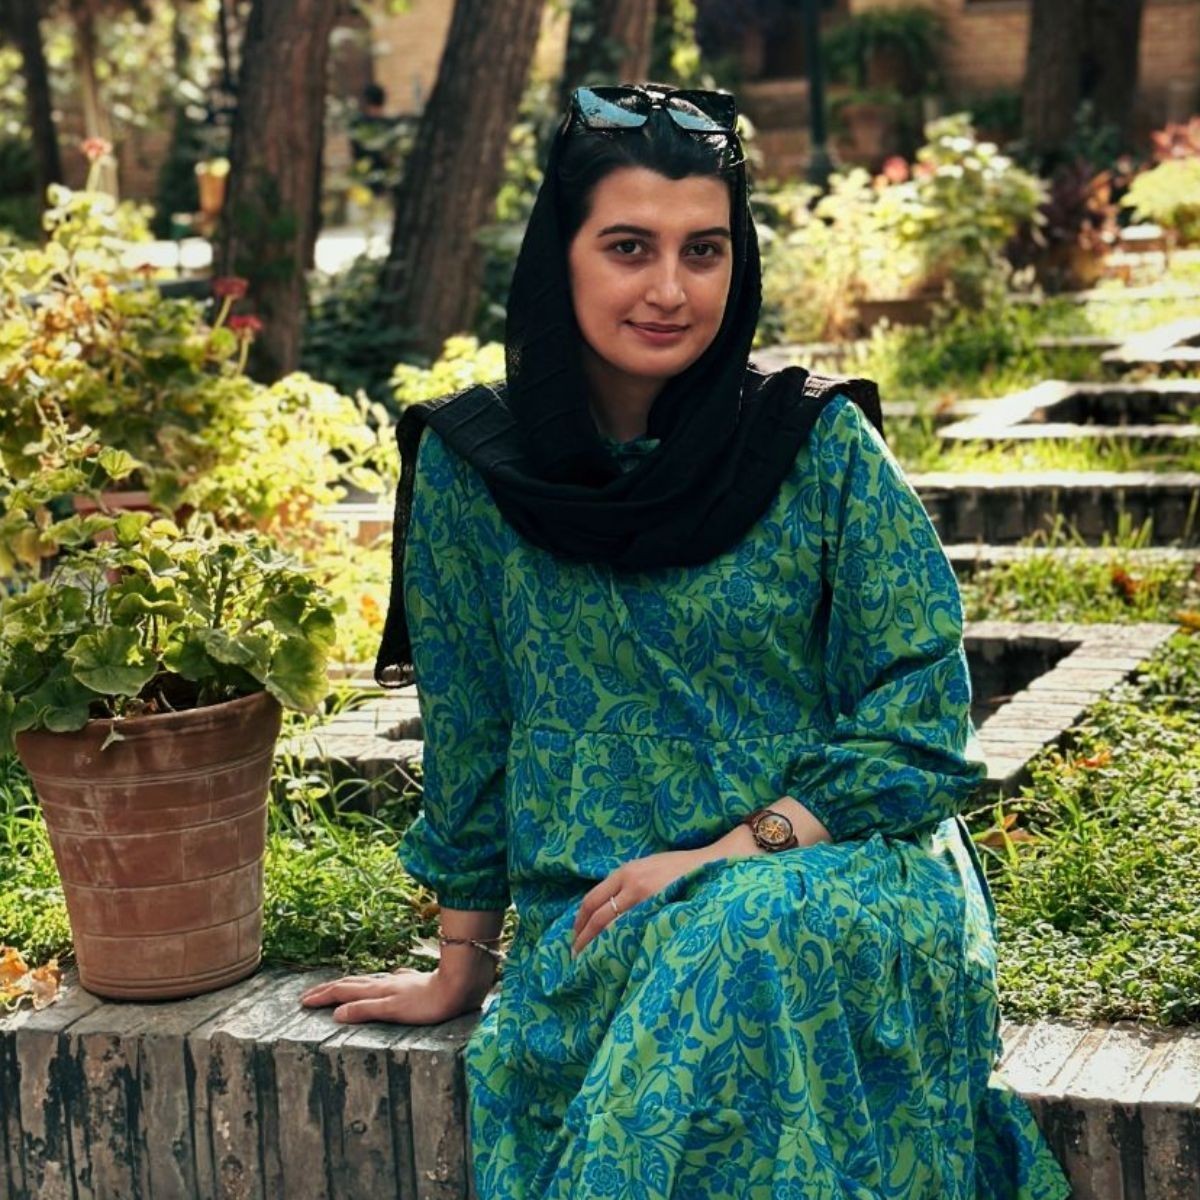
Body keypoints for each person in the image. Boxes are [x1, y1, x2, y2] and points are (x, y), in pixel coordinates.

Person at [301, 83, 1071, 1199]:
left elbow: (922, 723)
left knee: (750, 931)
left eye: (703, 251)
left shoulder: (814, 445)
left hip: (841, 873)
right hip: (605, 916)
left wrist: (730, 854)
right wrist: (459, 964)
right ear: (559, 258)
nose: (670, 289)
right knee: (725, 955)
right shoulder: (478, 471)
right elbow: (472, 734)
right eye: (629, 247)